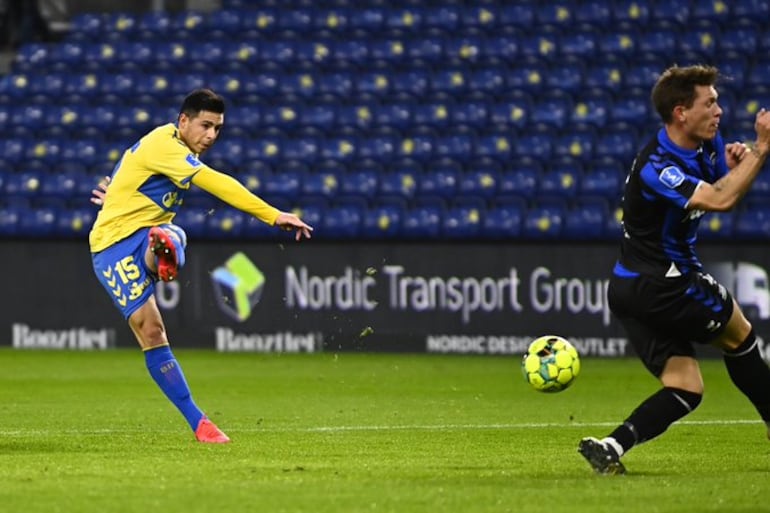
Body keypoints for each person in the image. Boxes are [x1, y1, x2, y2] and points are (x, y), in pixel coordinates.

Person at [89, 89, 313, 443]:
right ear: (183, 121)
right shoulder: (166, 146)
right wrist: (273, 215)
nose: (211, 136)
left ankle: (201, 425)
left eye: (218, 129)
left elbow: (129, 167)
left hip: (143, 232)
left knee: (171, 237)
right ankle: (163, 254)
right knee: (151, 330)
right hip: (111, 248)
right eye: (205, 126)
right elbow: (216, 182)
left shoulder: (165, 146)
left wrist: (114, 192)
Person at [578, 64, 770, 474]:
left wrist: (742, 163)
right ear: (681, 112)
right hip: (665, 282)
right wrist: (763, 148)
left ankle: (612, 446)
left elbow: (725, 185)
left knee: (686, 387)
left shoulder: (709, 141)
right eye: (710, 102)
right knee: (742, 336)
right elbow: (719, 201)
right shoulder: (657, 167)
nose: (719, 109)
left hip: (628, 288)